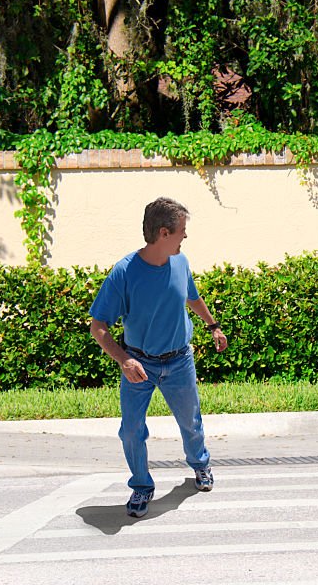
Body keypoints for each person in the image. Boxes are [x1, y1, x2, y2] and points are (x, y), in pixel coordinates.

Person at [89, 197, 228, 518]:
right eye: (181, 231)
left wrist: (213, 326)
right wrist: (124, 360)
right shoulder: (124, 273)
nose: (185, 237)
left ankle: (200, 465)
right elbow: (98, 327)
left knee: (191, 422)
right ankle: (141, 486)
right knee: (131, 429)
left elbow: (192, 297)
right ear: (163, 233)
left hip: (180, 360)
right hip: (139, 364)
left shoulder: (180, 262)